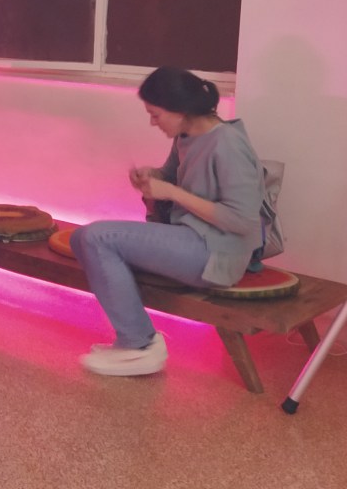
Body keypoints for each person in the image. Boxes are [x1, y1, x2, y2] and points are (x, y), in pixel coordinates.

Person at [70, 66, 266, 376]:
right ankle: (134, 340)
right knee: (80, 238)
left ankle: (139, 344)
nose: (152, 122)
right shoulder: (186, 136)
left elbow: (242, 220)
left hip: (218, 253)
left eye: (156, 114)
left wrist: (172, 192)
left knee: (97, 238)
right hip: (191, 238)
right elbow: (170, 176)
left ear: (180, 109)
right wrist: (152, 176)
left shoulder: (228, 143)